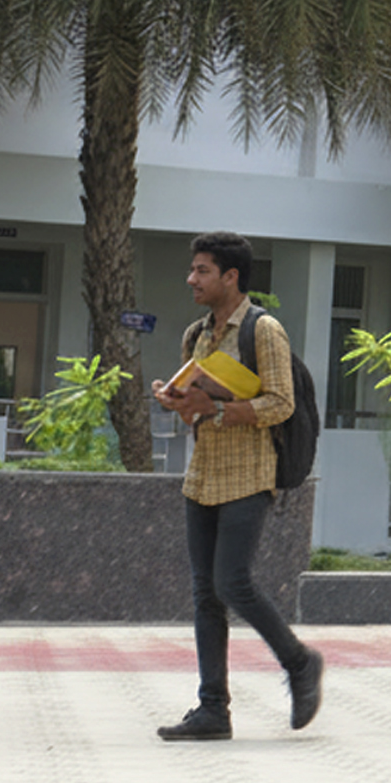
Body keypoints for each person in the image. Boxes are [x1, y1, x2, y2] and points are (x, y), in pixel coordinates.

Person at [154, 233, 322, 741]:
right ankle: (213, 709)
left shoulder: (263, 330)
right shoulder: (196, 334)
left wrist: (219, 409)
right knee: (206, 593)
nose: (191, 279)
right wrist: (177, 400)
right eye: (192, 269)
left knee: (233, 582)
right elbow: (195, 410)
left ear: (231, 277)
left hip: (250, 474)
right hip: (202, 475)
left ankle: (299, 663)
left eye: (202, 271)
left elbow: (281, 404)